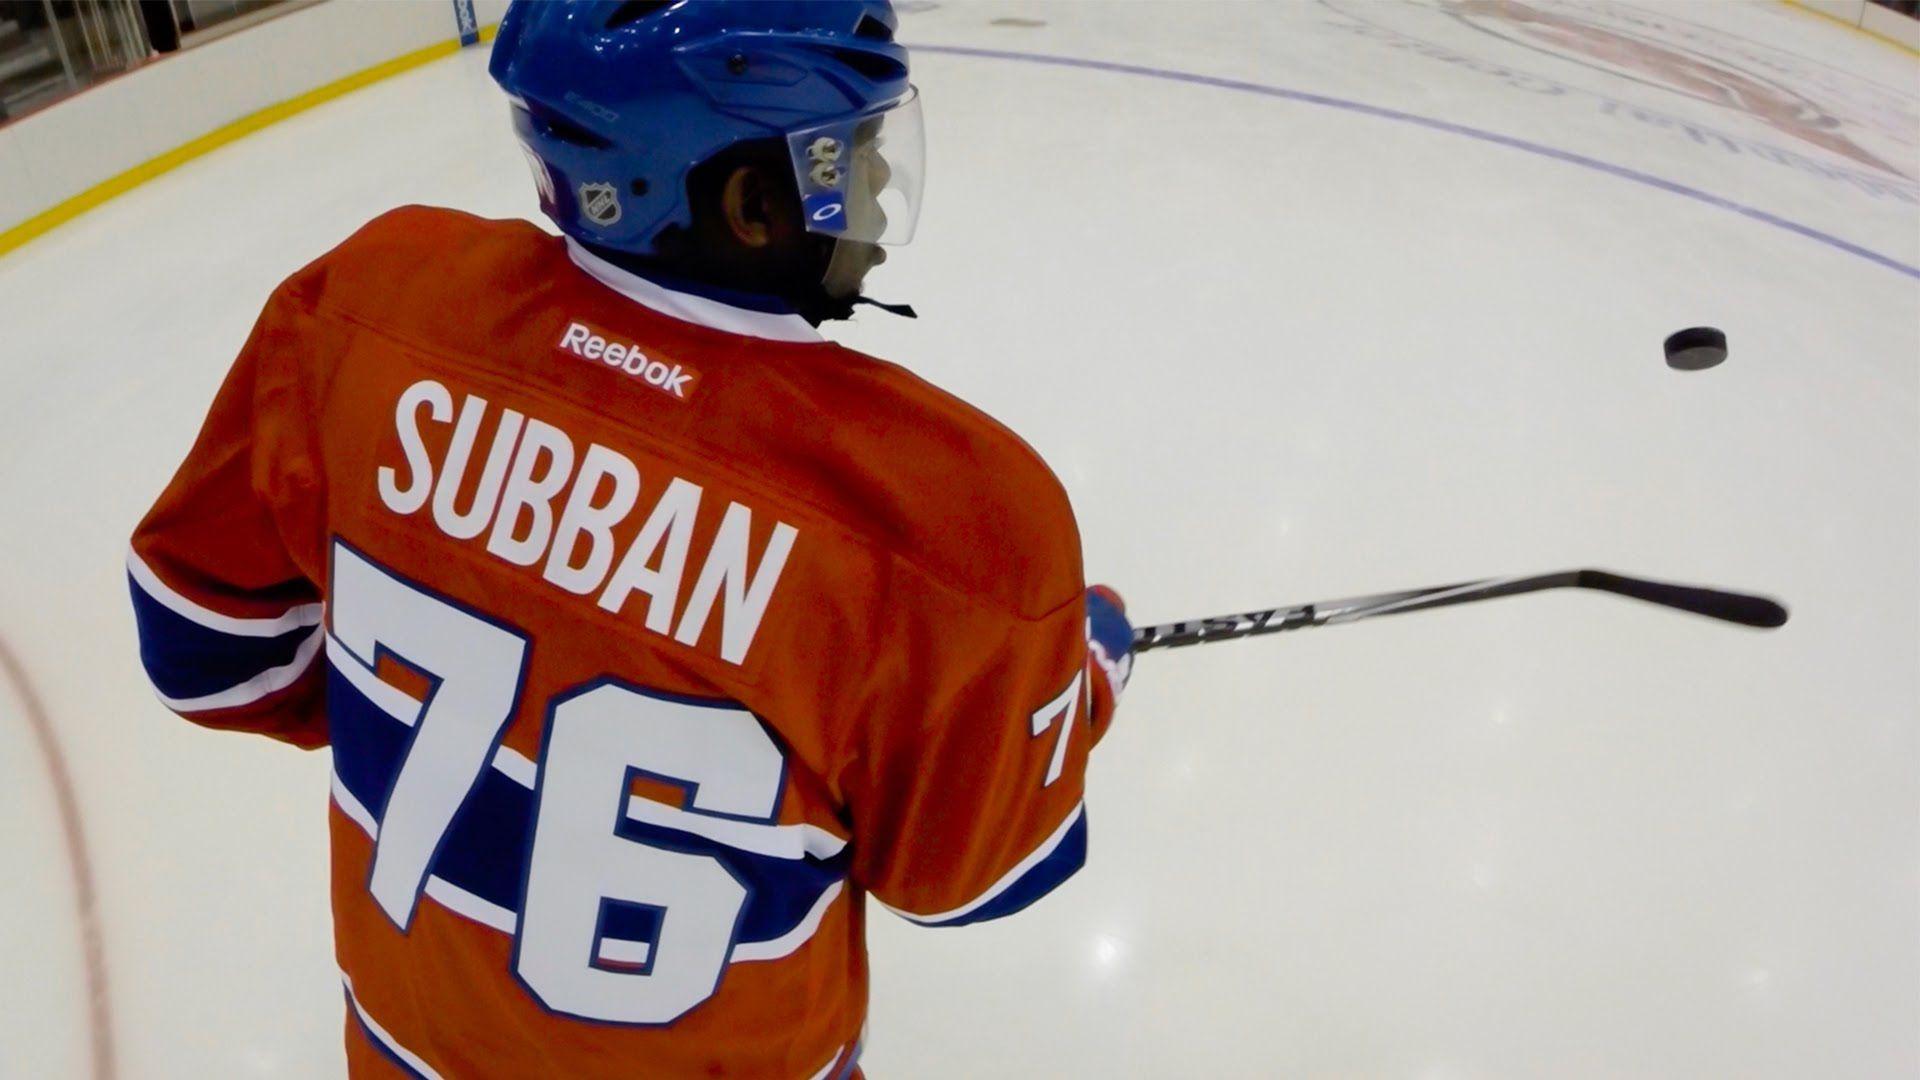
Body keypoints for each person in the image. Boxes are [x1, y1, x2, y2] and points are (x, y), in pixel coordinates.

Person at [126, 2, 1132, 1076]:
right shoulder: (951, 520)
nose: (875, 187)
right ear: (751, 203)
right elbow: (975, 877)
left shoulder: (369, 303)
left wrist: (458, 684)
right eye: (852, 150)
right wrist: (1087, 671)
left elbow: (207, 656)